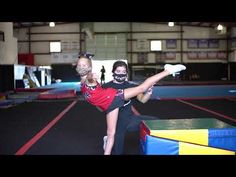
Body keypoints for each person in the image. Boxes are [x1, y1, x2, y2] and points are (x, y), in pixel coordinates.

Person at [76, 52, 186, 155]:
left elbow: (89, 77)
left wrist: (91, 74)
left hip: (113, 97)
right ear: (76, 66)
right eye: (80, 65)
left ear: (89, 68)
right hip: (109, 105)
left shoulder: (89, 79)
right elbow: (85, 76)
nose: (82, 67)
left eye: (84, 65)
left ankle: (168, 70)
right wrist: (87, 59)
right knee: (111, 134)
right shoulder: (83, 81)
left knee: (142, 87)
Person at [102, 60, 158, 155]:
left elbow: (143, 100)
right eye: (118, 71)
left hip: (130, 119)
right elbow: (99, 105)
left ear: (127, 73)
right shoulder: (106, 87)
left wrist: (148, 92)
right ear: (113, 72)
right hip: (116, 122)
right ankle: (109, 140)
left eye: (123, 72)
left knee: (155, 122)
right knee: (118, 151)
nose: (121, 74)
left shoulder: (131, 86)